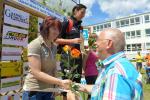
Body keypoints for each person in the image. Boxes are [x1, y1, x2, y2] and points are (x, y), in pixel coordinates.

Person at [71, 28, 143, 100]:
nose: (95, 43)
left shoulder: (115, 73)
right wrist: (72, 85)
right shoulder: (121, 65)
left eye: (98, 40)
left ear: (109, 43)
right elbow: (99, 89)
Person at [22, 16, 71, 100]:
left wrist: (56, 86)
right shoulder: (35, 44)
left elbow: (53, 68)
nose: (57, 32)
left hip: (49, 90)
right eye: (54, 28)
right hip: (35, 91)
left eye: (58, 29)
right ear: (46, 28)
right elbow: (36, 73)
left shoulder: (54, 47)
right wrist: (60, 82)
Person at [56, 4, 86, 99]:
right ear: (75, 11)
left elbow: (78, 45)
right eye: (82, 12)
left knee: (76, 87)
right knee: (67, 88)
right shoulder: (66, 22)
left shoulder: (79, 26)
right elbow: (56, 40)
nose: (83, 15)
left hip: (77, 59)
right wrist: (71, 41)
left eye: (85, 13)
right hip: (67, 60)